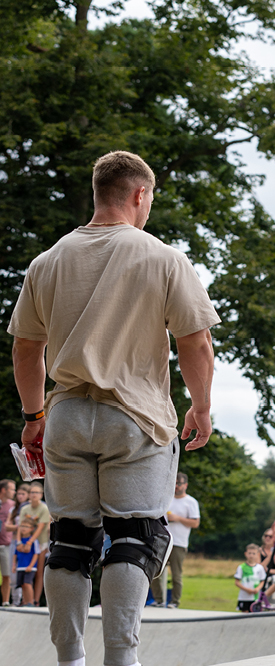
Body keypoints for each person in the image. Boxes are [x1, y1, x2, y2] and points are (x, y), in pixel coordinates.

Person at [8, 150, 220, 666]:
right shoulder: (161, 256)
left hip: (65, 417)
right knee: (136, 534)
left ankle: (69, 659)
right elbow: (196, 343)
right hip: (135, 419)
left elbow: (25, 349)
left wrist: (34, 417)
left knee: (71, 539)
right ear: (139, 195)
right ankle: (121, 658)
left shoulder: (48, 260)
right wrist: (201, 408)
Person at [152, 472, 200, 608]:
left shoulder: (191, 502)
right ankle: (158, 600)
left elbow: (195, 523)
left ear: (186, 485)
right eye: (174, 483)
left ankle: (174, 602)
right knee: (155, 571)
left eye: (179, 484)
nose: (176, 487)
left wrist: (178, 518)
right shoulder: (166, 499)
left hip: (179, 542)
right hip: (162, 541)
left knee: (176, 575)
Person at [17, 482, 50, 605]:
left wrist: (30, 542)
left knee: (38, 571)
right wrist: (19, 542)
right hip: (25, 543)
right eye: (32, 492)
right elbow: (20, 526)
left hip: (39, 543)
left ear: (41, 494)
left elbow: (41, 527)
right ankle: (26, 600)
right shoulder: (24, 508)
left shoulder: (44, 508)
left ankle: (36, 600)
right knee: (25, 569)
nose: (34, 494)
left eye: (37, 492)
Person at [14, 518, 40, 606]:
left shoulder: (33, 541)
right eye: (22, 526)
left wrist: (31, 565)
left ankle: (31, 602)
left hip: (30, 567)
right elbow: (15, 554)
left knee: (27, 583)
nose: (23, 528)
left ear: (31, 528)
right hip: (20, 566)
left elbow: (36, 554)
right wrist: (14, 565)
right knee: (22, 585)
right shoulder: (18, 541)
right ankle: (25, 602)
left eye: (26, 526)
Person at [234, 543, 266, 612]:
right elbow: (237, 582)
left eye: (253, 553)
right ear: (246, 554)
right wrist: (247, 590)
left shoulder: (260, 568)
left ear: (257, 554)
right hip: (244, 597)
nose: (251, 555)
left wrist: (257, 589)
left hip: (256, 597)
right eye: (249, 553)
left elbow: (262, 581)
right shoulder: (241, 567)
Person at [0, 479, 16, 606]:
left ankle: (5, 601)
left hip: (6, 544)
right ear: (4, 490)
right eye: (12, 489)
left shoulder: (13, 505)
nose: (14, 492)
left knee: (6, 574)